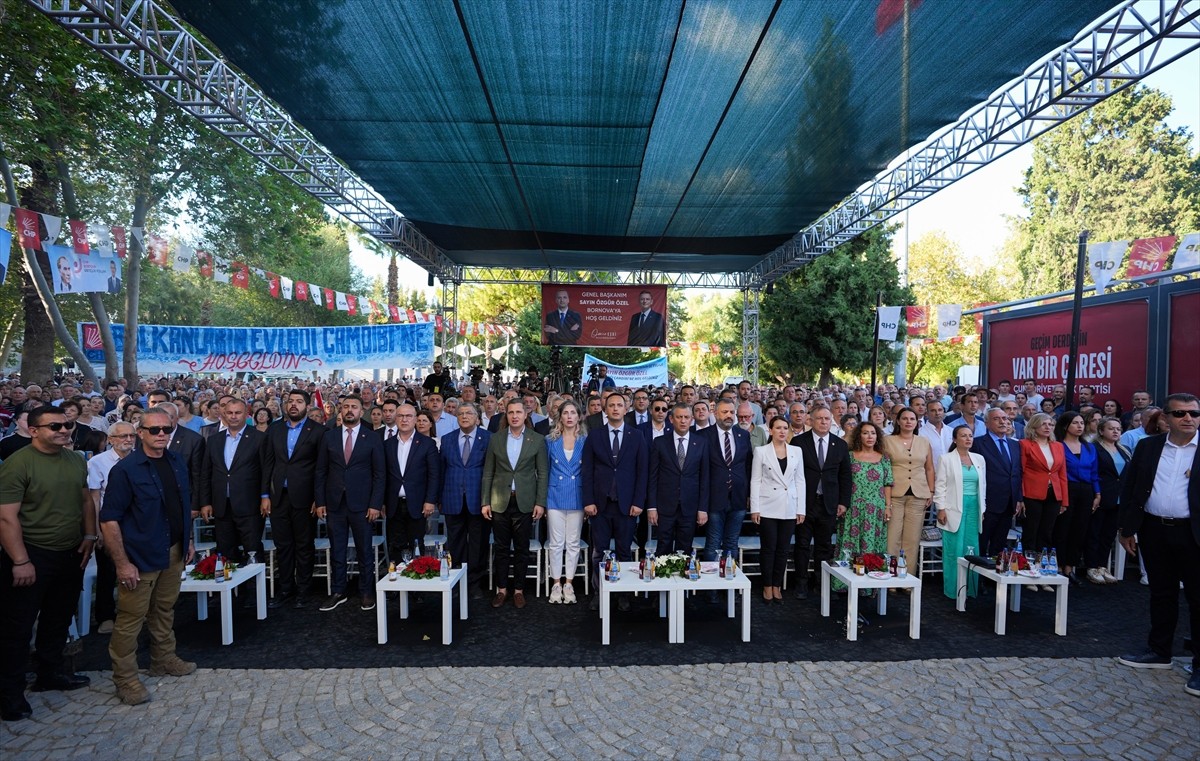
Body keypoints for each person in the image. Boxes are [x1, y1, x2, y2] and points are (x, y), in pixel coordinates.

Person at [0, 406, 96, 722]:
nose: (63, 430)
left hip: (70, 552)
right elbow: (6, 516)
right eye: (55, 425)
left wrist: (89, 535)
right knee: (18, 626)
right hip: (31, 553)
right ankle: (10, 694)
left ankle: (50, 673)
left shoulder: (74, 460)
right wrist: (20, 560)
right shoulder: (18, 464)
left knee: (58, 616)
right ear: (34, 429)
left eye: (67, 424)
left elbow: (85, 500)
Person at [99, 407, 196, 706]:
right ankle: (125, 679)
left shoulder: (177, 461)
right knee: (130, 618)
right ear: (140, 433)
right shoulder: (125, 470)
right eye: (154, 430)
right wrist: (122, 563)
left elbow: (181, 505)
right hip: (140, 555)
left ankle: (163, 659)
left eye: (166, 429)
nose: (161, 435)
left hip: (173, 549)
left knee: (165, 608)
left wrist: (188, 540)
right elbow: (109, 519)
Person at [1117, 393, 1199, 698]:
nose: (1188, 419)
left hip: (1193, 534)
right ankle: (1159, 650)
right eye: (1180, 414)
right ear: (1166, 418)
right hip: (1154, 529)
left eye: (1194, 413)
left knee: (1197, 599)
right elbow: (1131, 487)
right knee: (1161, 593)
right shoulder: (1148, 447)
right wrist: (1127, 528)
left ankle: (1199, 665)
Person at [315, 395, 386, 612]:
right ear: (340, 410)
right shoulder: (329, 436)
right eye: (345, 407)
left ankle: (366, 592)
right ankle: (338, 591)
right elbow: (321, 471)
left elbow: (379, 474)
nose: (349, 410)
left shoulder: (372, 437)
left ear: (360, 412)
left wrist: (375, 504)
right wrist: (320, 501)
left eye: (354, 407)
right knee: (337, 549)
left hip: (363, 505)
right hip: (335, 503)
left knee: (364, 550)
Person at [198, 398, 268, 605]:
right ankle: (229, 591)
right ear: (223, 414)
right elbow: (206, 473)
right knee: (225, 549)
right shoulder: (214, 440)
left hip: (249, 503)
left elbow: (266, 471)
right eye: (230, 413)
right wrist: (205, 502)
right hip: (221, 505)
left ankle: (254, 593)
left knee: (252, 548)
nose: (234, 416)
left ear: (246, 414)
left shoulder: (258, 438)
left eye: (238, 413)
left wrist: (265, 496)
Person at [581, 392, 647, 611]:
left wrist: (639, 502)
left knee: (624, 551)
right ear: (604, 409)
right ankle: (599, 592)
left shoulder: (636, 436)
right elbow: (587, 470)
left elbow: (642, 472)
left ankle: (623, 594)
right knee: (598, 552)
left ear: (626, 408)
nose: (616, 409)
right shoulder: (595, 435)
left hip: (627, 505)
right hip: (599, 504)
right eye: (611, 405)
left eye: (620, 405)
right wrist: (588, 501)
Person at [481, 399, 549, 609]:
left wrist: (540, 502)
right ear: (506, 415)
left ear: (526, 414)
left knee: (522, 548)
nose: (515, 416)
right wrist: (485, 502)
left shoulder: (537, 440)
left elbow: (543, 473)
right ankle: (502, 589)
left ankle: (518, 590)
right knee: (501, 548)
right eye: (511, 412)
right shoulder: (496, 439)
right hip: (499, 500)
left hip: (525, 501)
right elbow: (488, 472)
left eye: (519, 412)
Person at [261, 390, 324, 608]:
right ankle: (286, 588)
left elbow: (321, 468)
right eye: (290, 402)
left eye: (299, 402)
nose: (293, 405)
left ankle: (304, 590)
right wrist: (264, 494)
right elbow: (267, 464)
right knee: (283, 545)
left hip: (306, 498)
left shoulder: (318, 431)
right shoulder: (275, 429)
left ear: (307, 405)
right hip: (278, 497)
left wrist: (319, 497)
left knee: (304, 545)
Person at [791, 406, 852, 600]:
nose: (824, 422)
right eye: (819, 419)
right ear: (810, 420)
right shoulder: (799, 442)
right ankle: (801, 584)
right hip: (804, 503)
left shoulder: (840, 445)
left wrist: (843, 502)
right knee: (802, 544)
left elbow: (845, 476)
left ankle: (821, 584)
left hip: (829, 503)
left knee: (824, 546)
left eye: (827, 418)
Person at [87, 421, 137, 634]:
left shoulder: (141, 459)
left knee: (137, 569)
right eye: (122, 436)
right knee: (108, 570)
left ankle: (133, 614)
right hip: (109, 523)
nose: (128, 440)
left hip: (136, 524)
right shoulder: (98, 462)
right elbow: (94, 497)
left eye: (131, 436)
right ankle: (106, 616)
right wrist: (96, 529)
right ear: (110, 440)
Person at [750, 417, 806, 604]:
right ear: (770, 430)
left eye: (785, 428)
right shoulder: (761, 451)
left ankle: (777, 585)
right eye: (778, 428)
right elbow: (755, 480)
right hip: (767, 506)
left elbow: (800, 481)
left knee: (783, 549)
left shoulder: (796, 451)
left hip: (789, 506)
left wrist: (801, 508)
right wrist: (755, 508)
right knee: (768, 548)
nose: (782, 431)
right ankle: (767, 585)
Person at [833, 422, 893, 590]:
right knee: (848, 544)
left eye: (873, 433)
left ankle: (869, 586)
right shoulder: (849, 455)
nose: (869, 436)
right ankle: (843, 585)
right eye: (865, 433)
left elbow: (888, 483)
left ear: (877, 436)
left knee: (872, 544)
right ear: (859, 435)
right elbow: (842, 480)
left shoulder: (884, 457)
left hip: (876, 508)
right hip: (853, 507)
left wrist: (888, 506)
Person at [440, 402, 490, 599]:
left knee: (478, 543)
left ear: (477, 417)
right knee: (455, 543)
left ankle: (474, 583)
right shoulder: (447, 439)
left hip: (479, 499)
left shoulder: (488, 438)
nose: (464, 416)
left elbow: (491, 470)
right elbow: (441, 470)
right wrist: (438, 498)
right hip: (452, 497)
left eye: (469, 413)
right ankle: (455, 581)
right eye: (460, 413)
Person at [647, 403, 709, 557]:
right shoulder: (660, 443)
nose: (683, 421)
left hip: (690, 506)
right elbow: (653, 477)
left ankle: (682, 580)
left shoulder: (701, 443)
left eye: (686, 417)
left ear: (692, 420)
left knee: (685, 549)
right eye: (679, 417)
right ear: (671, 419)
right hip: (665, 506)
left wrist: (703, 508)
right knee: (663, 548)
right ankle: (664, 579)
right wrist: (652, 507)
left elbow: (704, 478)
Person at [934, 425, 987, 599]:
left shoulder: (979, 459)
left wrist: (983, 508)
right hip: (952, 507)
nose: (968, 439)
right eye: (963, 436)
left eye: (970, 435)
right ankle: (953, 590)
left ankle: (970, 588)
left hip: (974, 507)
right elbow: (940, 485)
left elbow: (983, 486)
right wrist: (940, 509)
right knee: (954, 549)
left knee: (972, 546)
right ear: (955, 439)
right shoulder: (946, 459)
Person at [384, 402, 440, 562]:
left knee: (416, 546)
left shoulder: (427, 444)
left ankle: (416, 583)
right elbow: (382, 475)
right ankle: (396, 584)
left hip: (418, 504)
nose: (404, 420)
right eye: (400, 416)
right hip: (393, 504)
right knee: (395, 546)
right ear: (395, 419)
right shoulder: (387, 445)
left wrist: (430, 501)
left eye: (409, 416)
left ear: (415, 419)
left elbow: (434, 475)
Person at [701, 399, 753, 573]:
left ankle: (729, 584)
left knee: (732, 543)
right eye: (725, 412)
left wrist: (747, 495)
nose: (729, 416)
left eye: (731, 412)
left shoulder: (743, 435)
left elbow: (748, 466)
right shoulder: (703, 436)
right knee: (713, 543)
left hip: (738, 498)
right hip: (714, 498)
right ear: (716, 413)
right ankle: (711, 588)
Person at [1020, 412, 1069, 588]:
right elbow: (1021, 472)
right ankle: (1028, 571)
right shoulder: (1025, 445)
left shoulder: (1058, 446)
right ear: (1034, 427)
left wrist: (1064, 500)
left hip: (1053, 494)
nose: (1048, 427)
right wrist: (1021, 497)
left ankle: (1042, 572)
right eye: (1044, 424)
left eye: (1051, 424)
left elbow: (1062, 474)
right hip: (1032, 493)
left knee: (1047, 534)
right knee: (1031, 532)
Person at [544, 399, 585, 605]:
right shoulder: (550, 440)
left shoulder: (586, 441)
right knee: (556, 543)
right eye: (565, 413)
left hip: (577, 495)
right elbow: (544, 470)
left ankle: (569, 583)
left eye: (573, 413)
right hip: (555, 495)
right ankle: (556, 583)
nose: (569, 416)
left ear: (579, 416)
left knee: (573, 543)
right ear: (560, 416)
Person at [883, 407, 934, 569]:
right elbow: (883, 468)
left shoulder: (924, 441)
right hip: (895, 494)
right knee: (892, 537)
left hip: (918, 494)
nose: (908, 422)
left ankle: (907, 575)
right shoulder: (887, 441)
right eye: (904, 418)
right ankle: (891, 574)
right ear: (898, 421)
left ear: (917, 422)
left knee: (912, 538)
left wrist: (931, 491)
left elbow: (929, 468)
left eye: (912, 419)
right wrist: (886, 499)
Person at [1054, 411, 1101, 585]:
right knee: (1062, 528)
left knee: (1080, 530)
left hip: (1087, 491)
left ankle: (1069, 567)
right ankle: (1058, 566)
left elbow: (1095, 473)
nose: (1080, 426)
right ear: (1066, 426)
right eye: (1075, 423)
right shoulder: (1058, 445)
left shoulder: (1090, 447)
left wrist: (1097, 493)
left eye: (1082, 423)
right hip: (1067, 489)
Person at [971, 408, 1025, 556]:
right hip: (987, 502)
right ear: (987, 423)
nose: (1002, 422)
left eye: (1005, 418)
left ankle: (994, 578)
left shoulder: (1015, 444)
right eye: (997, 419)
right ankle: (978, 578)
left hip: (1009, 503)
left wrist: (1019, 497)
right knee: (981, 543)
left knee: (999, 546)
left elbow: (1017, 473)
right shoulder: (978, 443)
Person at [1086, 416, 1130, 585]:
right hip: (1100, 496)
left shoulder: (1124, 450)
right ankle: (1091, 566)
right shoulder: (1094, 448)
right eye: (1111, 428)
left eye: (1118, 429)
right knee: (1094, 533)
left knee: (1108, 535)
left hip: (1118, 499)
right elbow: (1093, 472)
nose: (1115, 431)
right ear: (1101, 431)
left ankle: (1102, 565)